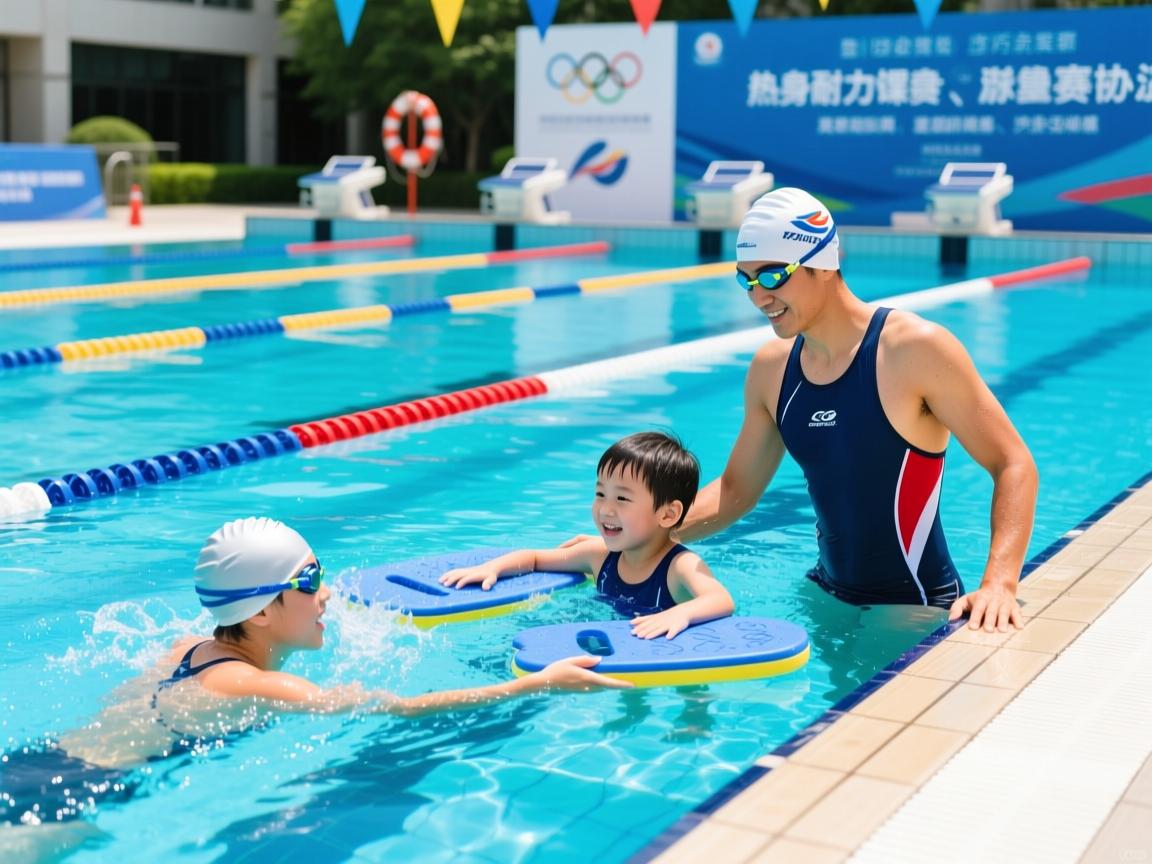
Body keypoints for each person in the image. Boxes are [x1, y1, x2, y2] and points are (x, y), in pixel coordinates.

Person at [1, 517, 627, 833]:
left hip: (39, 762)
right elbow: (399, 709)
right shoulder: (258, 683)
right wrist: (535, 684)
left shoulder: (185, 648)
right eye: (308, 581)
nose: (325, 593)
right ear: (264, 610)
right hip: (66, 798)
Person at [672, 187, 1038, 632]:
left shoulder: (912, 349)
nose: (758, 296)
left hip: (913, 606)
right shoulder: (772, 369)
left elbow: (1013, 462)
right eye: (745, 280)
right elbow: (735, 492)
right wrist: (641, 537)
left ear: (822, 264)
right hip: (824, 595)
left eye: (771, 276)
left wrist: (1000, 582)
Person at [440, 432, 735, 639]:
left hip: (674, 651)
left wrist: (680, 614)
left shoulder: (677, 567)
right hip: (623, 645)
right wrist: (492, 568)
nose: (605, 509)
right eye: (600, 493)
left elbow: (721, 599)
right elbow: (535, 559)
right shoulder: (600, 556)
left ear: (667, 514)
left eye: (622, 499)